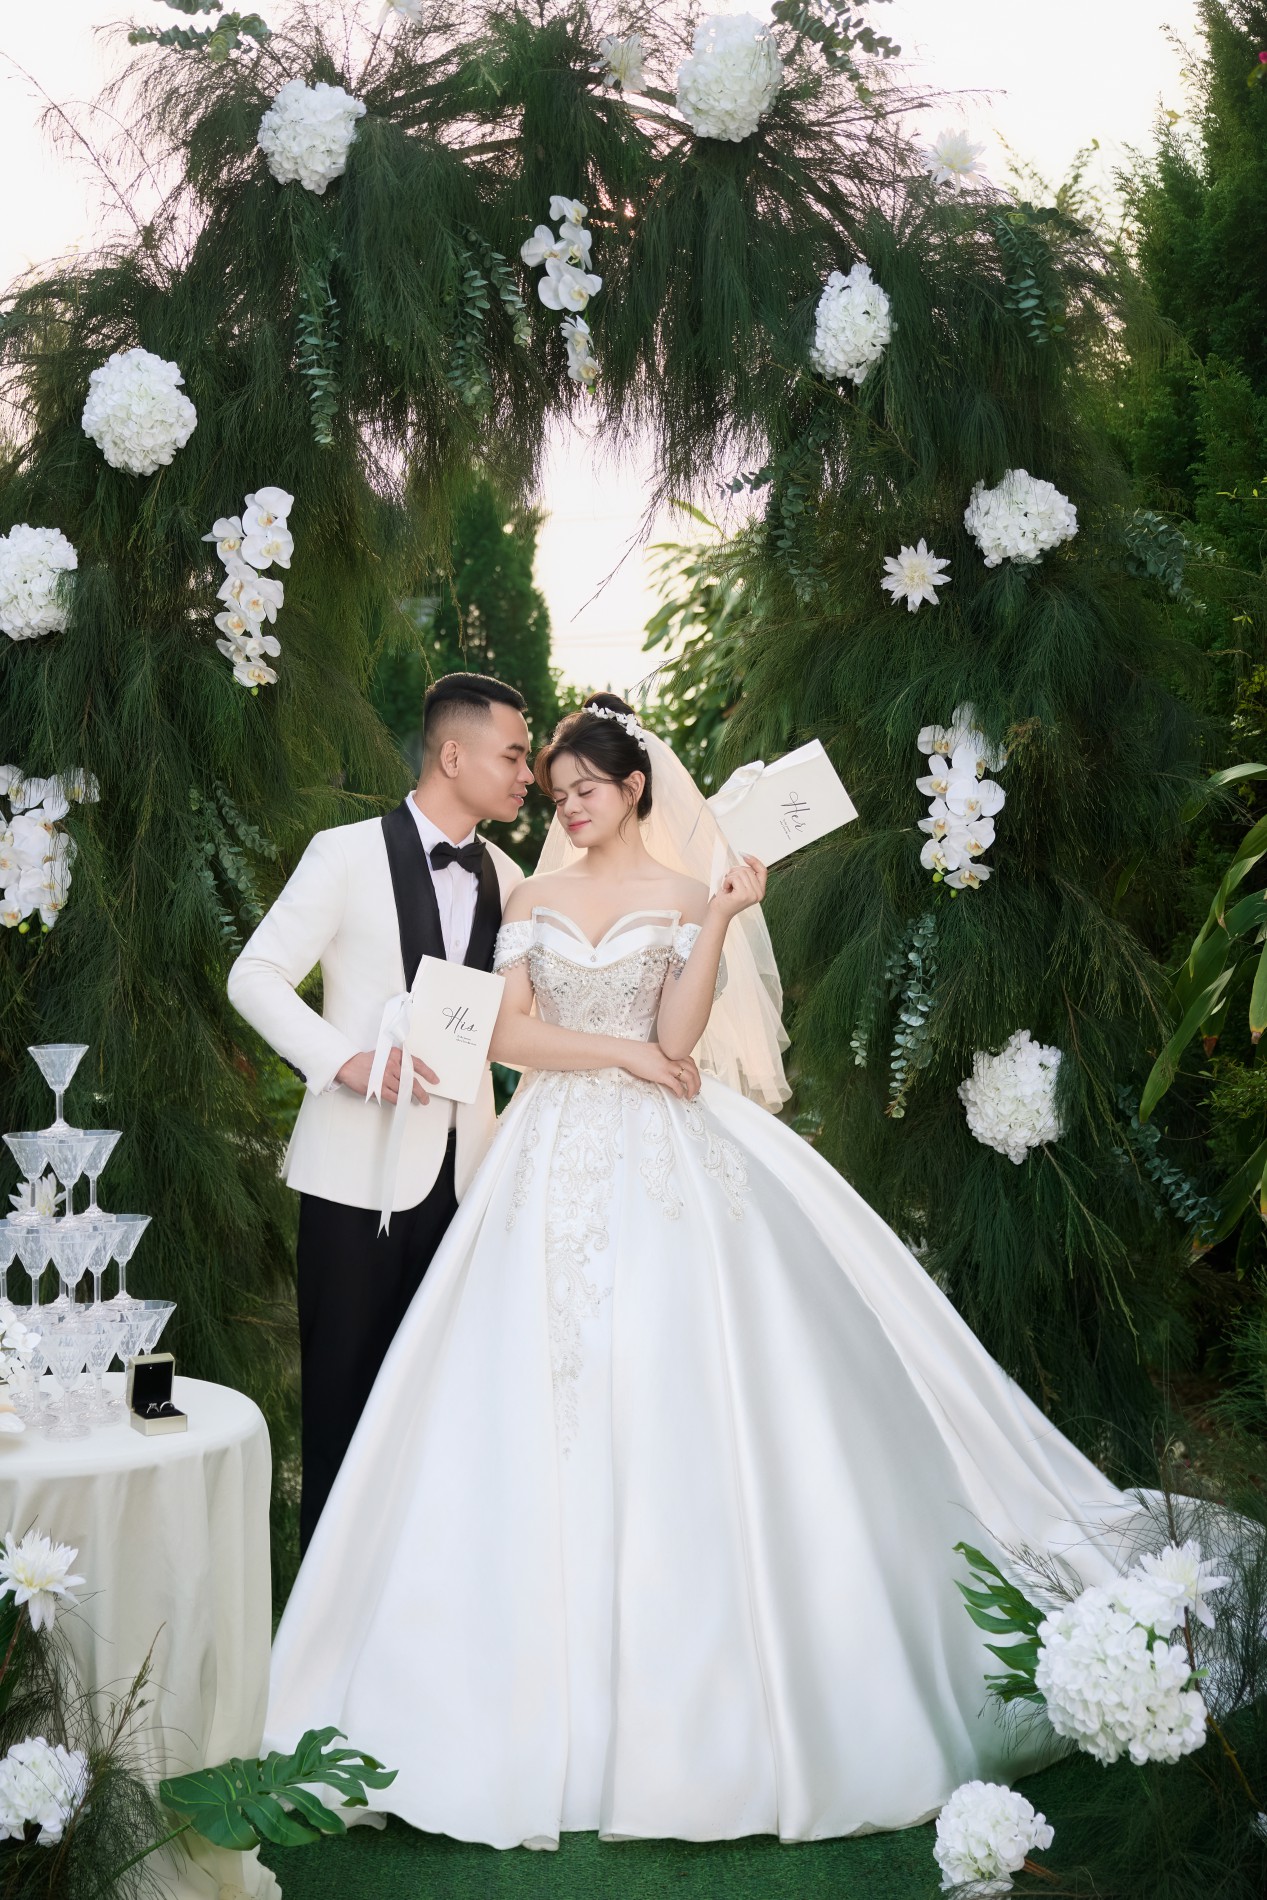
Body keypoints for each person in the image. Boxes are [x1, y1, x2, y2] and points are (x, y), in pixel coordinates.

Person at [265, 693, 1156, 1847]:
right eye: (551, 787)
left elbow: (680, 1040)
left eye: (580, 787)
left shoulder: (678, 895)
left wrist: (726, 917)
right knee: (505, 1392)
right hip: (535, 1149)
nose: (560, 803)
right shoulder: (521, 894)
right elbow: (504, 1034)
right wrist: (617, 1053)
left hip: (655, 1151)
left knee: (680, 1379)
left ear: (633, 787)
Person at [227, 672, 532, 1550]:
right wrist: (344, 1061)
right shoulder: (345, 853)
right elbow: (254, 975)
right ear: (453, 755)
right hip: (352, 1180)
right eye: (514, 755)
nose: (527, 776)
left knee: (443, 1409)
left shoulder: (510, 877)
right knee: (341, 1404)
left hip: (465, 1182)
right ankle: (323, 1606)